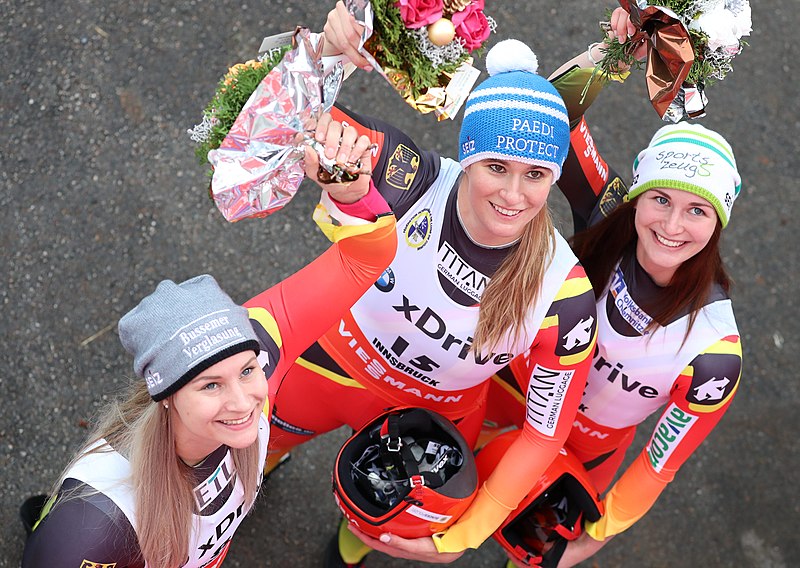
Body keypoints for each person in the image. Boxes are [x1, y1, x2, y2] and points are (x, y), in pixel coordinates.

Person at [265, 5, 599, 566]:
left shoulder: (564, 297)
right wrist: (323, 49)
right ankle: (257, 477)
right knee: (261, 446)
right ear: (467, 157)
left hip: (436, 420)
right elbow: (279, 107)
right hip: (330, 366)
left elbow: (542, 437)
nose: (513, 196)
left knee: (381, 518)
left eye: (536, 175)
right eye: (496, 166)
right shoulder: (407, 173)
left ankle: (354, 545)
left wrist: (459, 541)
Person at [20, 121, 398, 568]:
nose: (244, 401)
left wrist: (349, 192)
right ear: (166, 396)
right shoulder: (91, 527)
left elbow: (365, 257)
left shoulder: (259, 347)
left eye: (245, 371)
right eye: (209, 385)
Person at [490, 12, 743, 566]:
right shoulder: (607, 214)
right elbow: (551, 111)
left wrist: (595, 537)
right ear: (637, 197)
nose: (672, 226)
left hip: (585, 450)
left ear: (718, 224)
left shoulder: (716, 352)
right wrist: (613, 53)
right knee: (417, 495)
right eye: (660, 200)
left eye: (697, 210)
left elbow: (659, 463)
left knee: (524, 553)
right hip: (501, 392)